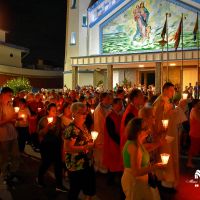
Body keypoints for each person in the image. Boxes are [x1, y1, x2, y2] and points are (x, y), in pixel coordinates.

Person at [121, 118, 164, 200]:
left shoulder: (138, 142)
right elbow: (136, 172)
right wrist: (155, 167)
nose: (148, 129)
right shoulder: (133, 146)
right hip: (133, 182)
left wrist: (159, 142)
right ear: (138, 132)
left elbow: (146, 149)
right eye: (145, 128)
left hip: (140, 181)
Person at [64, 102, 96, 200]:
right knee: (75, 190)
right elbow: (68, 148)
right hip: (76, 165)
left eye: (86, 112)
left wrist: (92, 143)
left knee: (90, 187)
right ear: (74, 114)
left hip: (87, 162)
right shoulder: (72, 129)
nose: (85, 115)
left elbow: (85, 141)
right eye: (82, 113)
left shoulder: (84, 126)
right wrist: (85, 147)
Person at [36, 103, 67, 192]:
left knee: (58, 165)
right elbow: (39, 133)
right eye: (53, 110)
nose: (55, 112)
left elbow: (62, 130)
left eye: (56, 110)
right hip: (46, 145)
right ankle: (39, 178)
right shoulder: (43, 120)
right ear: (48, 111)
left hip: (56, 144)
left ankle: (59, 184)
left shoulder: (58, 120)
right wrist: (47, 127)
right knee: (46, 163)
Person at [0, 87, 20, 181]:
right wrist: (10, 118)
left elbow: (11, 120)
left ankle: (13, 172)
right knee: (4, 156)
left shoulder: (9, 105)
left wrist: (16, 119)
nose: (11, 97)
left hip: (12, 134)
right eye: (9, 95)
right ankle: (4, 174)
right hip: (3, 136)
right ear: (3, 94)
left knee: (16, 155)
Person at [93, 92, 112, 173]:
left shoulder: (108, 107)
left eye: (109, 98)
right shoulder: (98, 110)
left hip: (107, 133)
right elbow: (100, 124)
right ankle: (101, 167)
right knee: (100, 153)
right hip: (101, 134)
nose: (109, 100)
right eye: (107, 98)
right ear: (102, 99)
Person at [187, 100, 200, 168]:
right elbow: (198, 119)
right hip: (195, 133)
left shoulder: (196, 110)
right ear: (195, 104)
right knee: (192, 149)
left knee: (195, 149)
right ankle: (189, 162)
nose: (199, 104)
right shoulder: (194, 110)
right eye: (198, 104)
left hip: (197, 132)